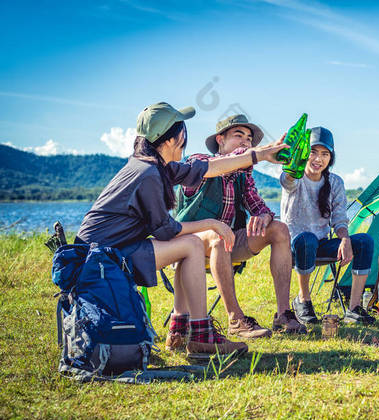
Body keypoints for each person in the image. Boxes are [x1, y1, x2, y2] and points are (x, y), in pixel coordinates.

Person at [76, 102, 288, 357]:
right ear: (173, 138)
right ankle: (199, 334)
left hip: (110, 250)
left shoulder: (157, 167)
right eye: (182, 131)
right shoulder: (148, 173)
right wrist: (212, 223)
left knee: (191, 244)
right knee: (191, 243)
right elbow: (166, 230)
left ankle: (191, 330)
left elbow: (211, 169)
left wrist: (263, 154)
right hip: (98, 258)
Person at [176, 115, 306, 339]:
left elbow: (257, 203)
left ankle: (283, 314)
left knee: (279, 229)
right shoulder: (197, 162)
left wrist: (264, 216)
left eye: (249, 138)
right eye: (239, 136)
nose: (246, 141)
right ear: (220, 139)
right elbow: (223, 165)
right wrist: (259, 153)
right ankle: (235, 319)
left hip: (227, 244)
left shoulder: (244, 175)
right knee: (218, 236)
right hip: (190, 244)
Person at [280, 126, 375, 325]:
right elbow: (286, 181)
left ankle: (354, 308)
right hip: (294, 246)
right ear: (305, 153)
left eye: (325, 154)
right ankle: (303, 300)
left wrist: (345, 239)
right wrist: (291, 158)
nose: (318, 159)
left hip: (321, 244)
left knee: (364, 240)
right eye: (313, 152)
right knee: (307, 239)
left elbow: (339, 219)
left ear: (330, 158)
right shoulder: (296, 177)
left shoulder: (335, 182)